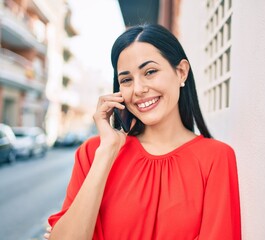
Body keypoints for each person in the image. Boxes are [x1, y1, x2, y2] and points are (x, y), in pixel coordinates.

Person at [45, 24, 241, 240]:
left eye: (150, 72)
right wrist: (107, 152)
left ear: (181, 72)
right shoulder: (94, 152)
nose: (138, 89)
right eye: (126, 80)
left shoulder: (215, 158)